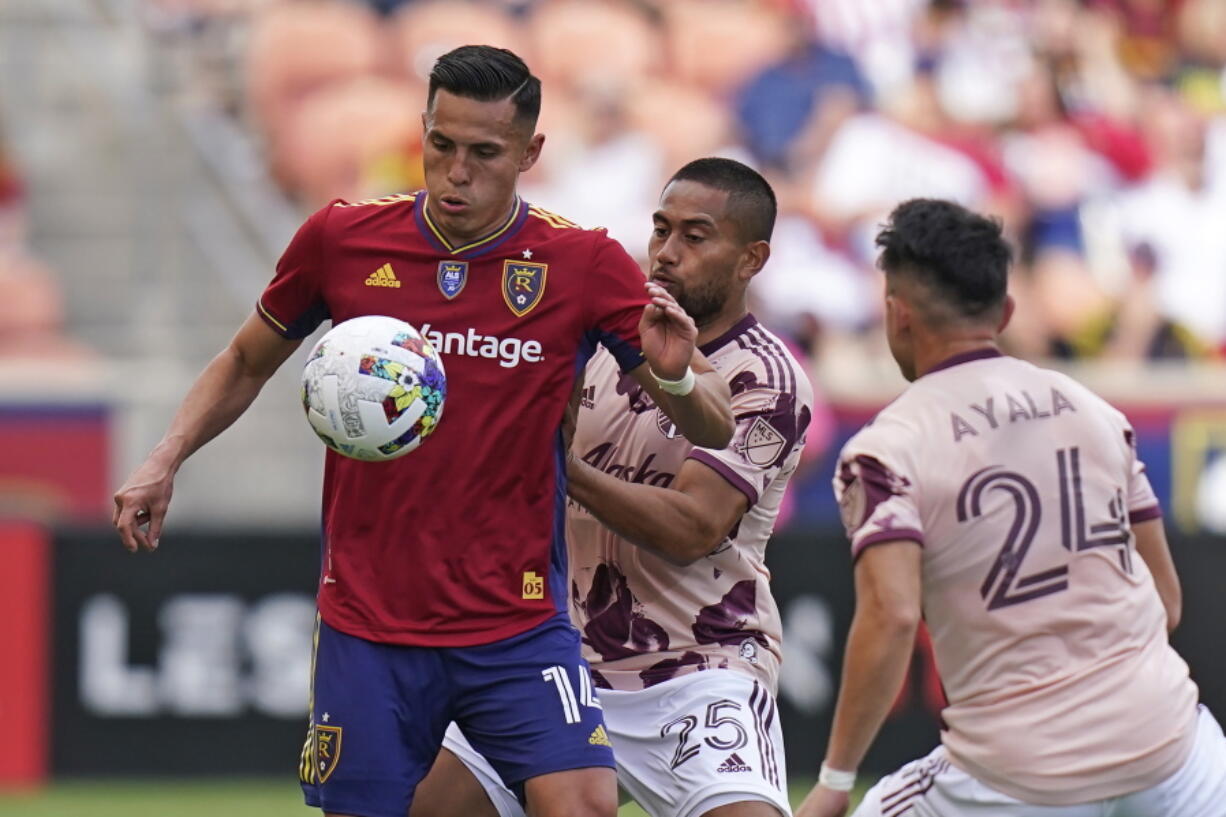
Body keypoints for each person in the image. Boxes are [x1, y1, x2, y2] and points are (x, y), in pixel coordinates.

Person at [111, 45, 735, 817]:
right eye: (441, 145)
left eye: (484, 153)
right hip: (370, 621)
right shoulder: (342, 241)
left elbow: (711, 422)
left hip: (518, 622)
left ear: (530, 152)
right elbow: (244, 360)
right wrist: (164, 457)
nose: (456, 172)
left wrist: (675, 374)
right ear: (422, 133)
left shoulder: (580, 262)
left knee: (583, 804)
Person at [796, 198, 1226, 817]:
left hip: (1021, 777)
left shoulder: (886, 449)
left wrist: (837, 777)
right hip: (1177, 755)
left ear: (896, 314)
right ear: (1006, 311)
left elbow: (891, 615)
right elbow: (1168, 602)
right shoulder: (1096, 412)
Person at [410, 157, 814, 817]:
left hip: (696, 664)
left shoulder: (764, 377)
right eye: (661, 230)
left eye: (695, 236)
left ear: (752, 258)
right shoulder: (597, 342)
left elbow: (693, 527)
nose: (667, 252)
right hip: (558, 659)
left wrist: (560, 464)